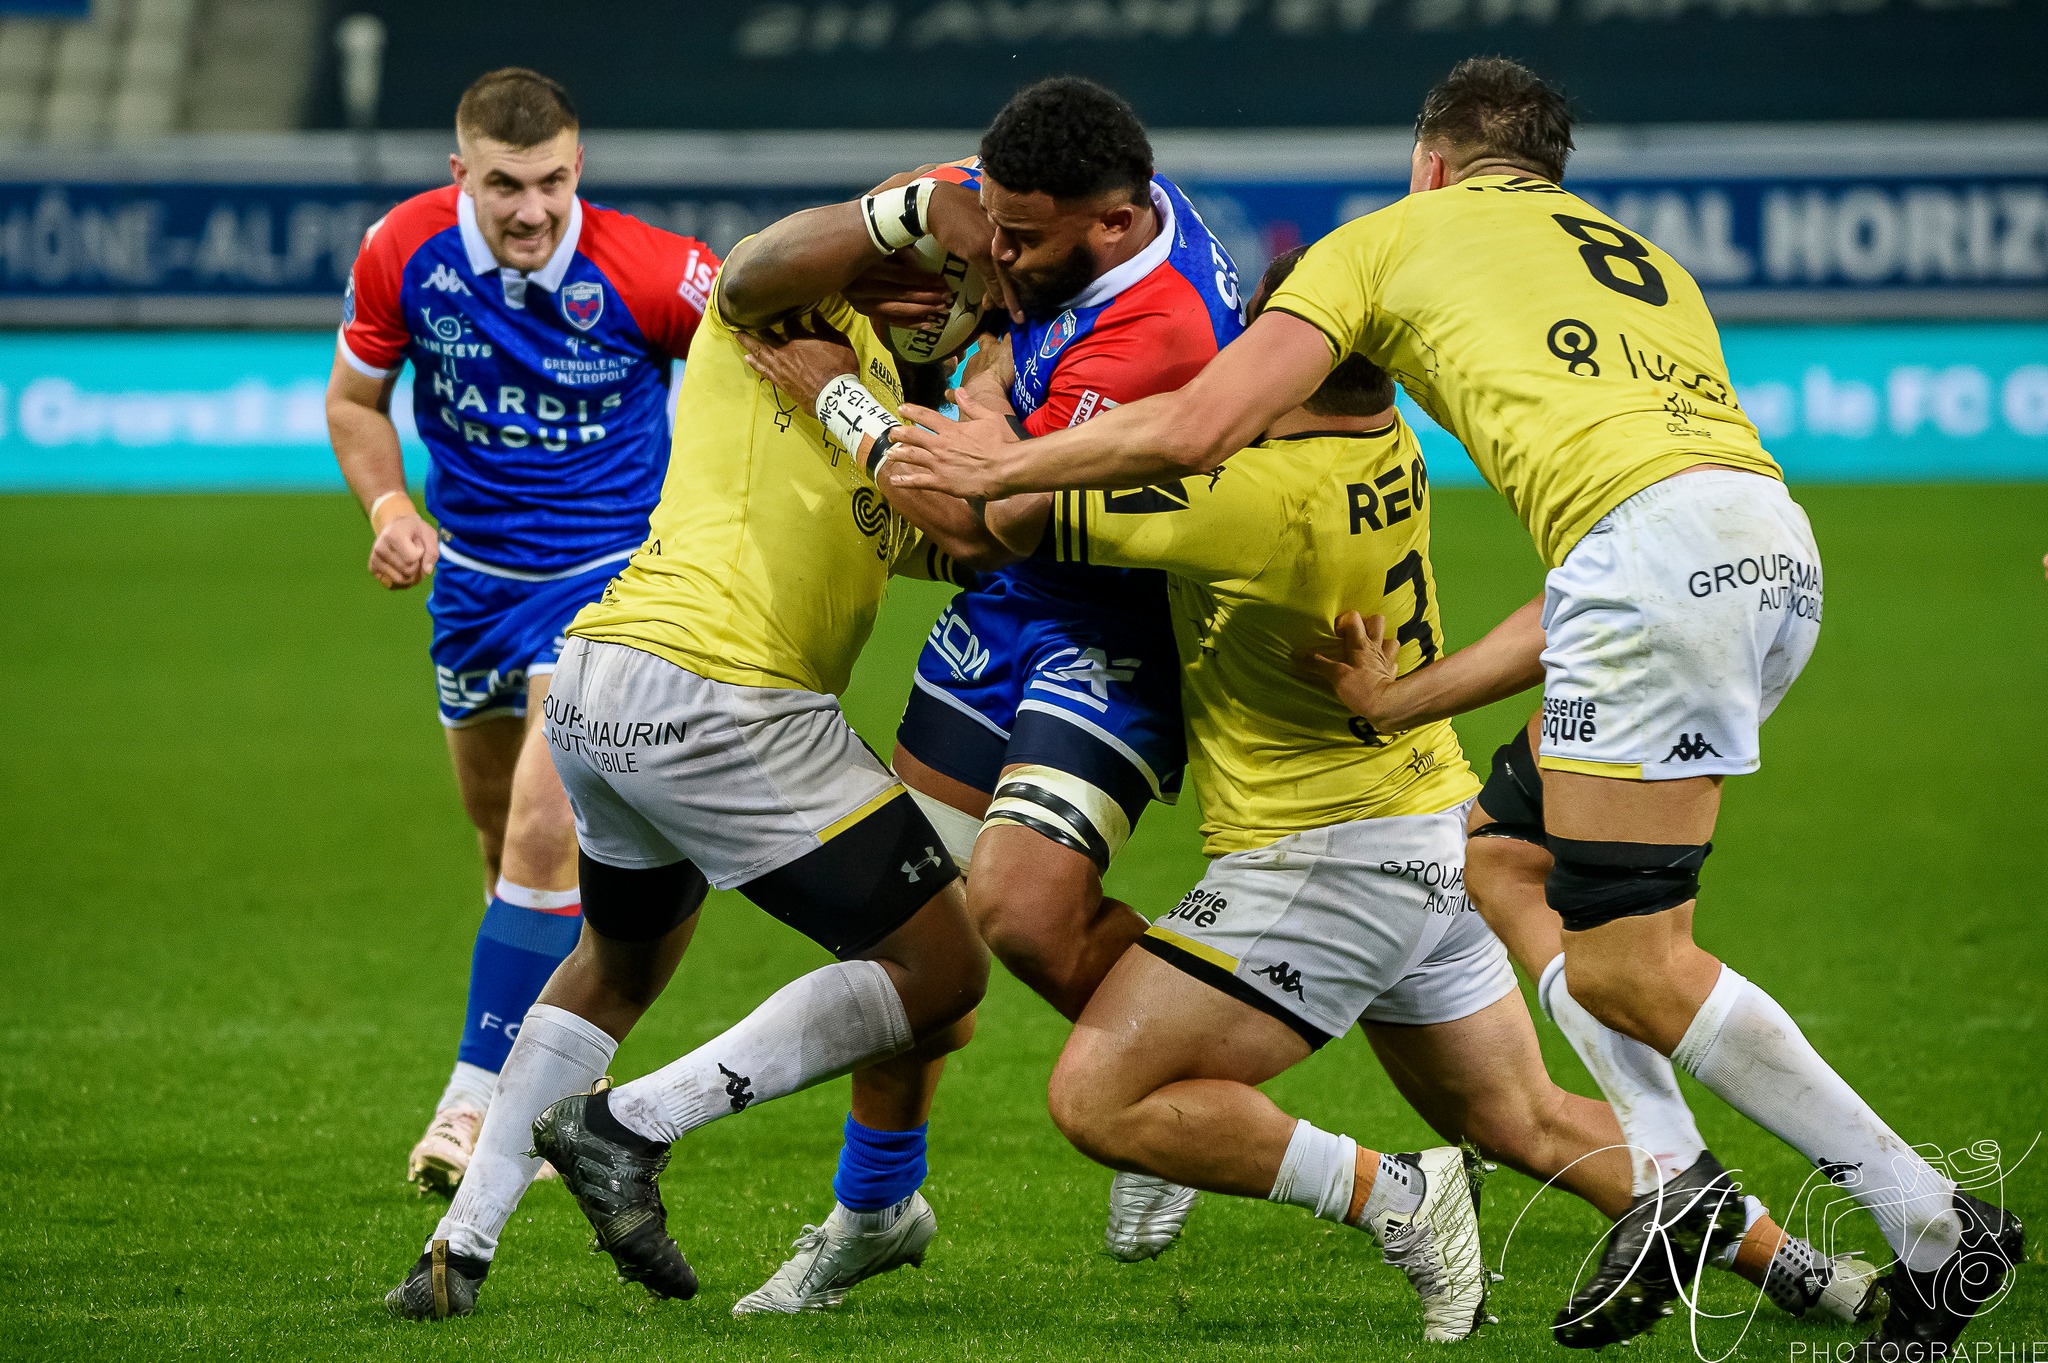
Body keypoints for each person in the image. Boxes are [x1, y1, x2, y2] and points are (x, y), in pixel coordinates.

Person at [884, 55, 2021, 1359]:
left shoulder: (1374, 253)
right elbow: (1612, 572)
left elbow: (1188, 432)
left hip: (1418, 771)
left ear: (1428, 163)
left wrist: (993, 445)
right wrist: (1407, 694)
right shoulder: (1632, 260)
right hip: (1761, 548)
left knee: (1625, 964)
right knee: (1511, 864)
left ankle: (1932, 1223)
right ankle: (1730, 1217)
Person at [380, 169, 1009, 1320]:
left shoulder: (872, 404)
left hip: (603, 687)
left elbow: (959, 543)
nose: (951, 302)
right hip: (722, 697)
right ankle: (630, 1126)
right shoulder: (779, 316)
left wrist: (888, 416)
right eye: (944, 274)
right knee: (946, 969)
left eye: (968, 293)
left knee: (616, 965)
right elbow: (761, 261)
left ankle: (455, 1251)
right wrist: (908, 215)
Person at [876, 77, 1250, 1273]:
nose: (996, 252)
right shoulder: (1090, 213)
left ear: (1114, 222)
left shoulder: (1160, 330)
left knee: (1023, 916)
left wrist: (861, 410)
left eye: (1023, 239)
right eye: (994, 220)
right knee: (898, 909)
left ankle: (1161, 1109)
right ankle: (873, 1207)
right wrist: (984, 387)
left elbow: (989, 522)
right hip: (1013, 606)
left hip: (1112, 619)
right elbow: (994, 400)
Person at [325, 67, 714, 1196]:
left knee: (545, 835)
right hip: (474, 588)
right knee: (507, 858)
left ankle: (471, 1110)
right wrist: (391, 508)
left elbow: (761, 341)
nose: (531, 208)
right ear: (462, 177)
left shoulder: (650, 267)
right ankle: (559, 1071)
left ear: (577, 168)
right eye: (504, 185)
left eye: (550, 181)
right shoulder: (402, 252)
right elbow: (355, 402)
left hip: (608, 586)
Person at [1310, 608, 1886, 1324]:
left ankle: (1389, 1190)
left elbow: (1566, 616)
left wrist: (1391, 701)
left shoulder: (1206, 514)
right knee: (1519, 1120)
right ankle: (1799, 1264)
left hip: (1332, 850)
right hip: (1427, 822)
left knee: (1133, 1091)